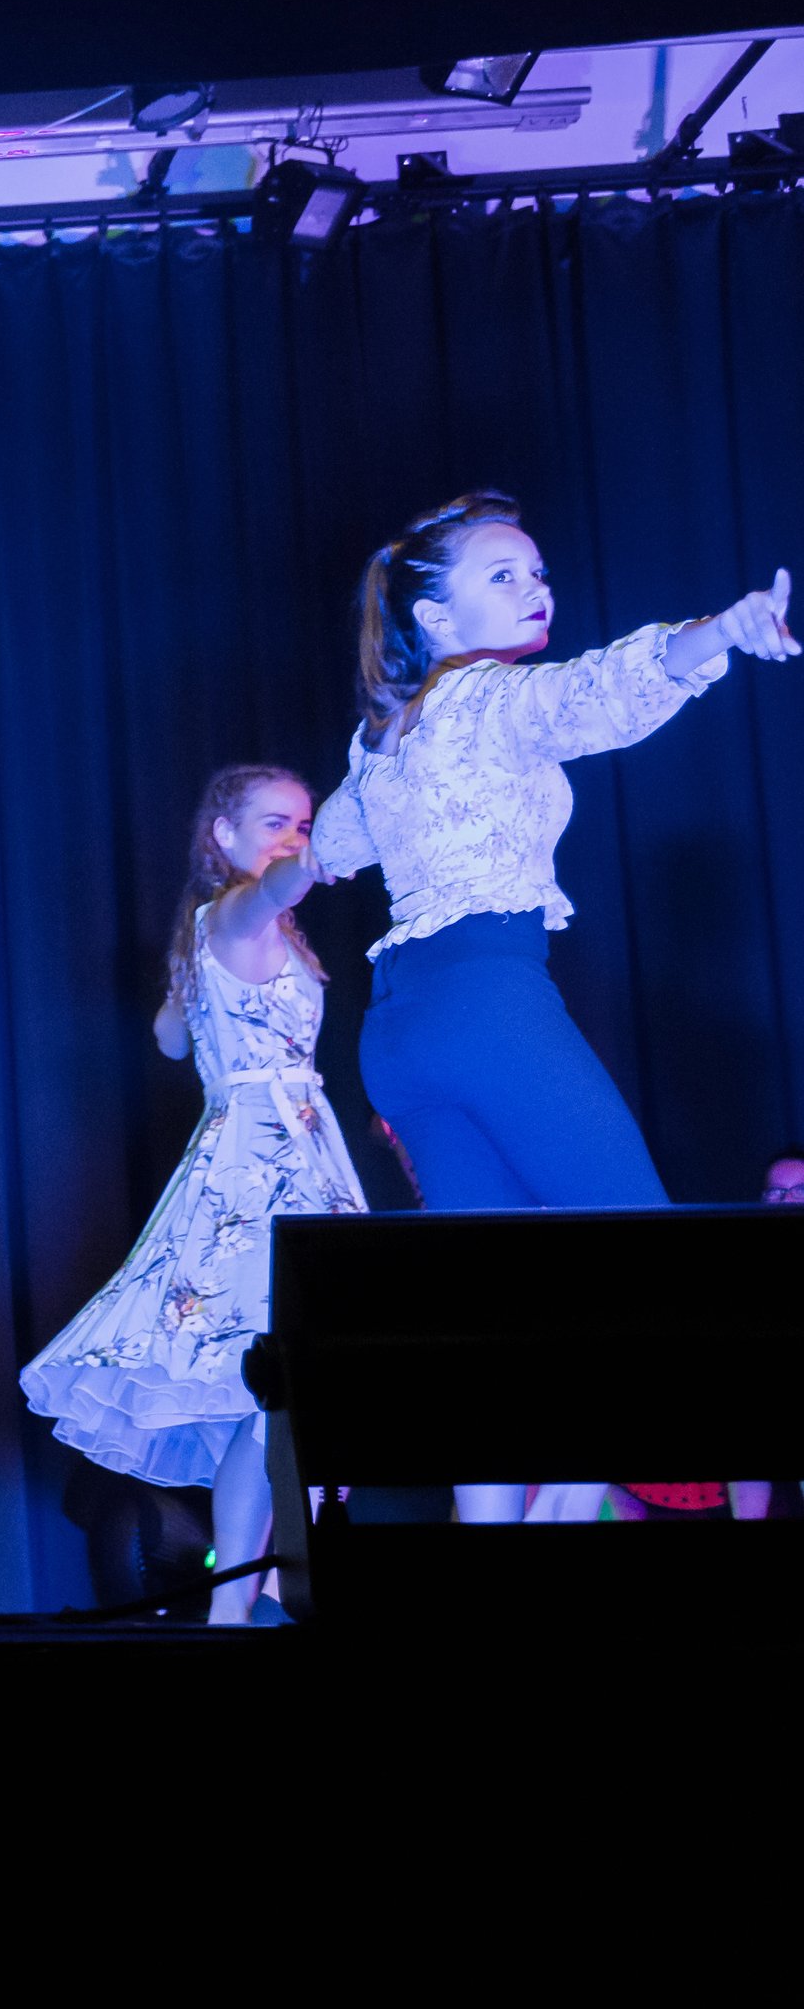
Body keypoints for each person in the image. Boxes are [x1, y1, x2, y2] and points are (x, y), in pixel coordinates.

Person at [308, 493, 792, 1524]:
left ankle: (498, 1546)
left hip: (398, 1037)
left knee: (489, 1309)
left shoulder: (381, 739)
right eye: (503, 574)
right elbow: (598, 691)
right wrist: (721, 631)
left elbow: (332, 848)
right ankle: (603, 1510)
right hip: (488, 1004)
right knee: (647, 1266)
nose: (537, 589)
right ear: (435, 615)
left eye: (538, 572)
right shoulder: (489, 696)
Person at [20, 767, 367, 1621]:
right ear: (223, 835)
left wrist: (195, 1000)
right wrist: (321, 853)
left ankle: (239, 1602)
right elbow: (272, 892)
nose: (293, 836)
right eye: (275, 822)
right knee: (295, 1379)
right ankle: (281, 1583)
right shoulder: (237, 911)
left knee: (274, 1399)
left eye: (303, 823)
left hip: (295, 1148)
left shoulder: (228, 929)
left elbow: (170, 1037)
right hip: (264, 1164)